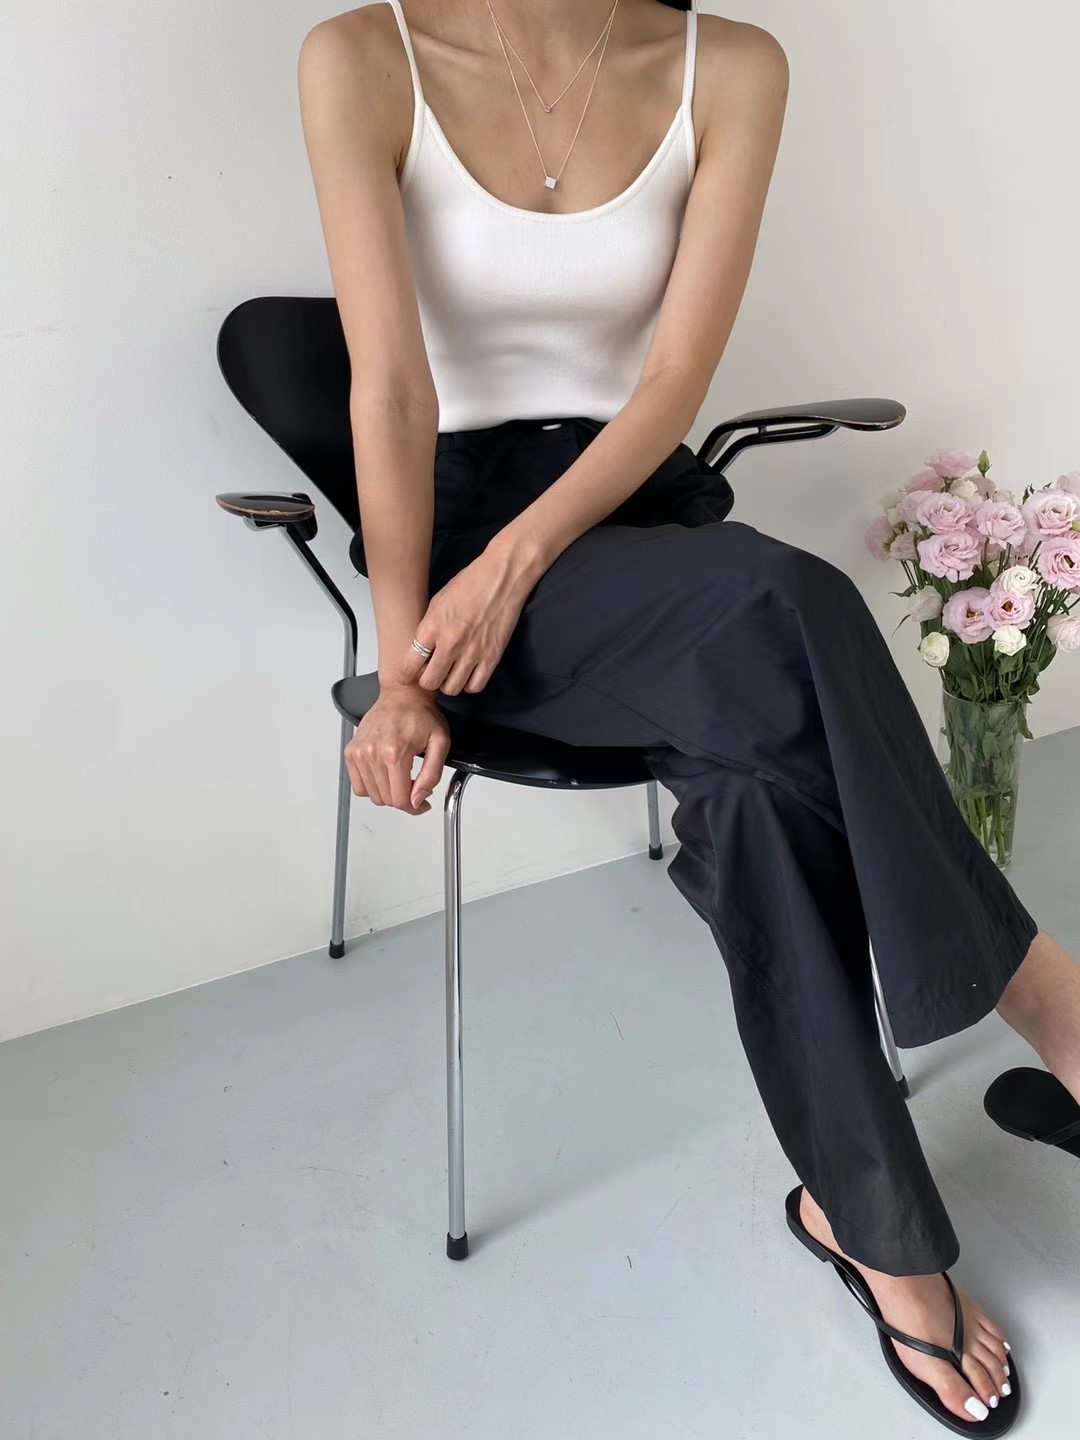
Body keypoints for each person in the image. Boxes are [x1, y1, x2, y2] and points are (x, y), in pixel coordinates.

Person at [297, 1, 1080, 1429]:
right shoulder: (362, 58)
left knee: (759, 780)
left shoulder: (733, 67)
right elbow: (392, 390)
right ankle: (1046, 996)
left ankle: (866, 1221)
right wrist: (407, 663)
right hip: (462, 557)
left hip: (637, 528)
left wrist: (533, 552)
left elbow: (671, 385)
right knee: (786, 601)